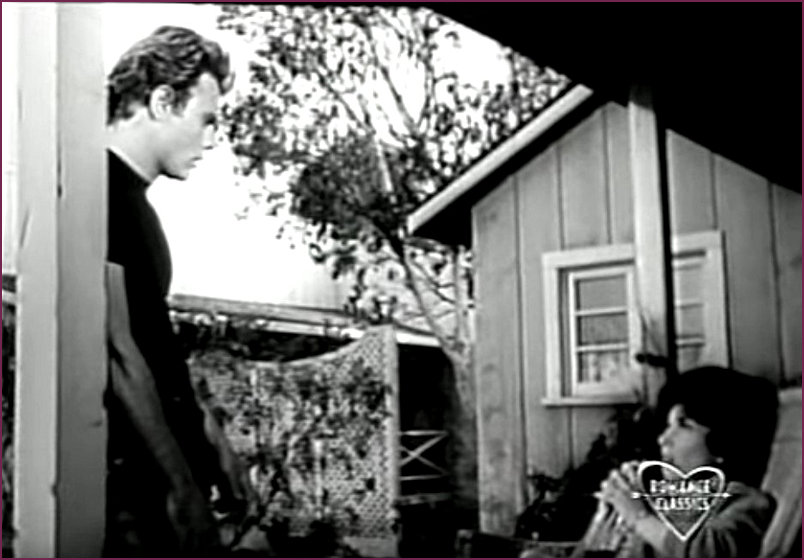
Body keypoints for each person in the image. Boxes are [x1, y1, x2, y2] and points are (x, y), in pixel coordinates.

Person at [104, 25, 255, 556]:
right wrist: (182, 491)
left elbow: (156, 346)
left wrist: (215, 446)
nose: (213, 140)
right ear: (163, 100)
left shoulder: (134, 204)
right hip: (135, 498)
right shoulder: (98, 190)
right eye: (206, 120)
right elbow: (118, 354)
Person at [595, 366, 778, 557]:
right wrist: (609, 515)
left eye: (684, 426)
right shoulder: (676, 502)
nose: (663, 438)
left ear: (723, 441)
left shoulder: (745, 501)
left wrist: (638, 517)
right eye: (668, 425)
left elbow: (705, 552)